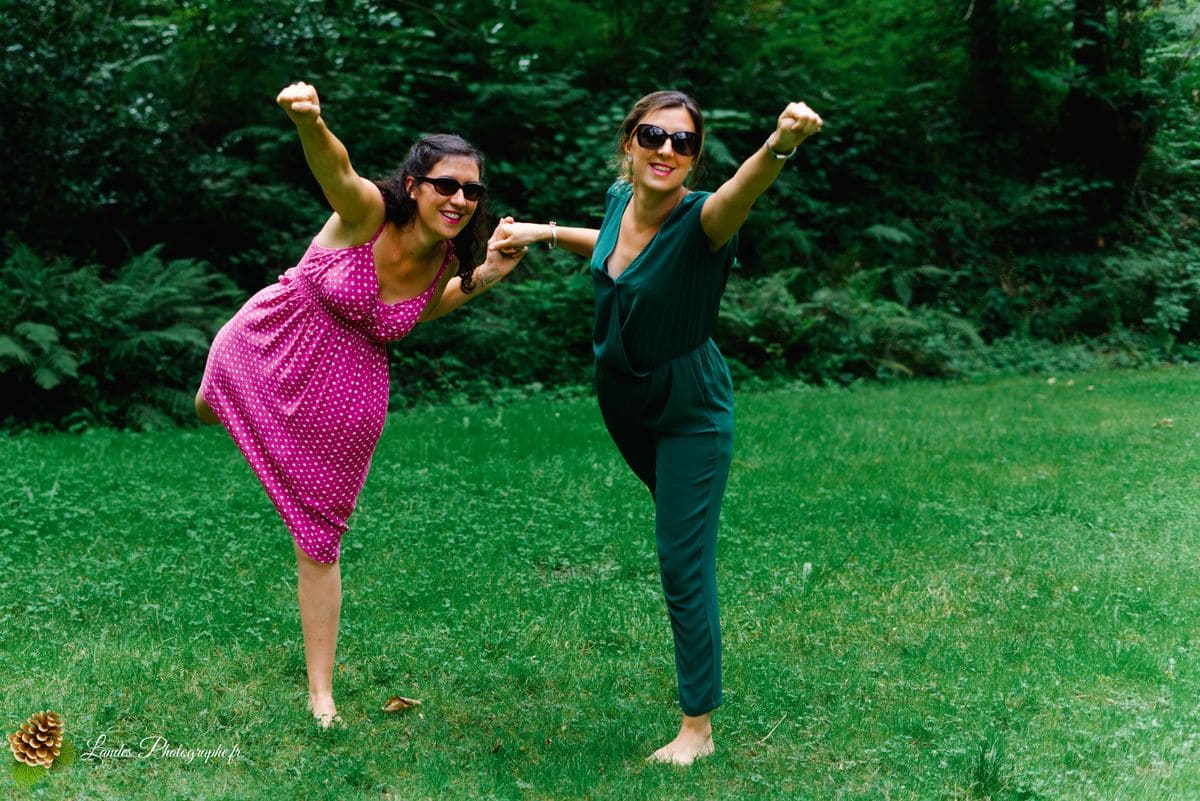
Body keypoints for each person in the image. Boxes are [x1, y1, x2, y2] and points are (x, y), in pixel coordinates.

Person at [489, 91, 822, 764]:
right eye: (654, 135)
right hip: (627, 408)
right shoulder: (621, 201)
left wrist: (781, 143)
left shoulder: (704, 222)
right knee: (681, 541)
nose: (667, 149)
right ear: (629, 143)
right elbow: (612, 250)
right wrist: (546, 233)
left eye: (684, 142)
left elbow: (743, 189)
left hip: (688, 412)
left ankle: (696, 727)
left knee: (681, 558)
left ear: (695, 159)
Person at [195, 82, 526, 728]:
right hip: (274, 340)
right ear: (412, 183)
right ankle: (228, 409)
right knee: (210, 400)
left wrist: (487, 274)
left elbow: (425, 312)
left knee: (319, 540)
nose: (460, 198)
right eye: (446, 184)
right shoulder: (367, 211)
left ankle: (321, 693)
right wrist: (309, 121)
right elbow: (335, 169)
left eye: (472, 190)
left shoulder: (444, 262)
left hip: (350, 394)